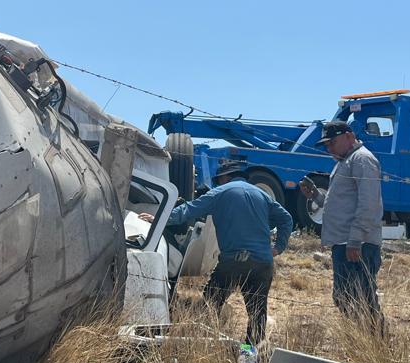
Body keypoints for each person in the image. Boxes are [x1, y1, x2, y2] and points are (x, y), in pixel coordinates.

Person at [142, 158, 293, 345]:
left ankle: (205, 345)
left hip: (233, 261)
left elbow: (188, 210)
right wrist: (278, 247)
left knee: (210, 304)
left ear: (224, 178)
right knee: (257, 312)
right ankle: (252, 353)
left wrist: (159, 219)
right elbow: (286, 219)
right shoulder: (262, 195)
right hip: (263, 262)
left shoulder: (220, 192)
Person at [299, 121, 385, 329]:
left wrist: (355, 239)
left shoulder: (362, 159)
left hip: (357, 244)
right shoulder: (345, 161)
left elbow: (369, 203)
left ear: (349, 136)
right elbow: (342, 204)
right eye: (327, 145)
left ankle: (375, 342)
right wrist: (316, 197)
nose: (329, 149)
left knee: (361, 299)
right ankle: (362, 341)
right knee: (345, 297)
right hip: (346, 242)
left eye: (332, 143)